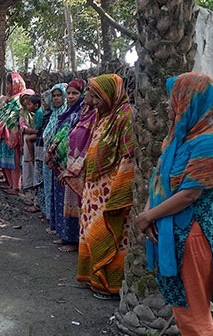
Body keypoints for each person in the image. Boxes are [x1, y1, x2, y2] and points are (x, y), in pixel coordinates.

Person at [135, 72, 213, 334]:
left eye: (172, 99)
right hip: (172, 234)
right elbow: (157, 181)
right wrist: (147, 215)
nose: (167, 105)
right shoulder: (177, 140)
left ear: (189, 102)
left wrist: (148, 216)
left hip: (192, 236)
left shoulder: (209, 144)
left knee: (194, 317)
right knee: (184, 314)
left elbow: (189, 194)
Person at [76, 74, 134, 300]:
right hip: (93, 191)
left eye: (98, 96)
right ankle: (92, 277)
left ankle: (108, 285)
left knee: (110, 236)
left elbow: (128, 158)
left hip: (110, 193)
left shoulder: (125, 116)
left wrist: (118, 195)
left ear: (111, 94)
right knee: (91, 234)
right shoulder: (105, 115)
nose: (93, 101)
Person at [46, 79, 86, 252]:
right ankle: (63, 235)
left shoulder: (81, 113)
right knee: (62, 199)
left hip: (72, 164)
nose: (70, 97)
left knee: (71, 201)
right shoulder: (68, 113)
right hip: (60, 162)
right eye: (68, 93)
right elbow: (61, 133)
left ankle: (73, 239)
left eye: (74, 93)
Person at [0, 72, 26, 195]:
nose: (7, 86)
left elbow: (16, 115)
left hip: (12, 134)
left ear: (15, 84)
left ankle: (16, 186)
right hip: (2, 133)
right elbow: (1, 113)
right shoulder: (7, 98)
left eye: (9, 83)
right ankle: (10, 184)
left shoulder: (20, 98)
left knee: (14, 161)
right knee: (5, 159)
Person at [40, 83, 68, 233]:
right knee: (50, 187)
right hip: (48, 155)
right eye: (54, 96)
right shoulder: (54, 113)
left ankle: (58, 224)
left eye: (59, 95)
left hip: (58, 157)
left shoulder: (65, 113)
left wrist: (51, 152)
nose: (56, 98)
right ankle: (52, 218)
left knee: (58, 190)